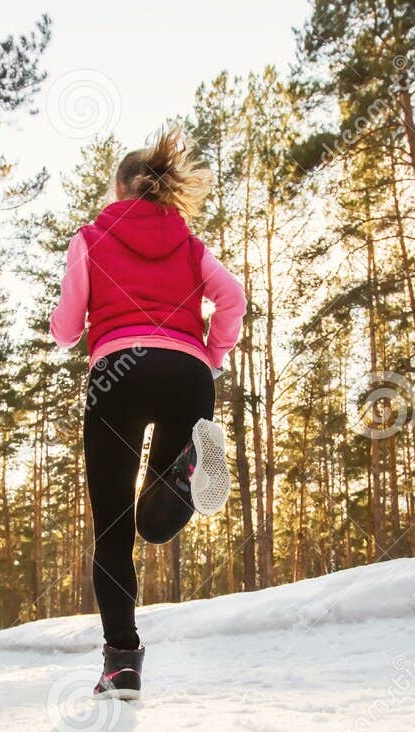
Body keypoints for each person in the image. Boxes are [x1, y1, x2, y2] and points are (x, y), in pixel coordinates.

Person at [49, 128, 247, 702]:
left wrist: (64, 324)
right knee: (156, 522)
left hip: (119, 376)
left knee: (114, 531)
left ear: (117, 189)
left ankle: (123, 664)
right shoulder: (188, 242)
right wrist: (211, 352)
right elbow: (231, 296)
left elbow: (65, 330)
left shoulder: (91, 236)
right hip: (186, 375)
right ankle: (187, 469)